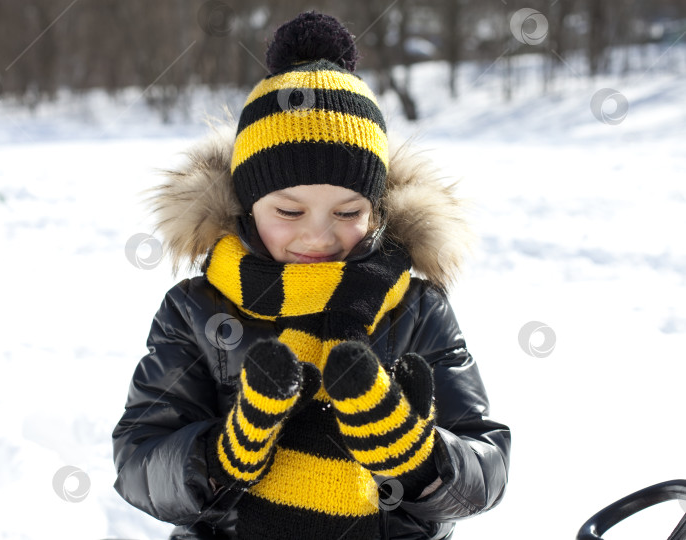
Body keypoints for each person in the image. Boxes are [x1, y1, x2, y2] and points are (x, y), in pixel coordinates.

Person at [112, 11, 510, 540]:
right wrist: (223, 456)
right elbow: (139, 459)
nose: (318, 239)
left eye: (347, 214)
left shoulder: (416, 308)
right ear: (248, 205)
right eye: (289, 212)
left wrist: (417, 459)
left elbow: (487, 469)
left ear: (378, 209)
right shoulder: (197, 309)